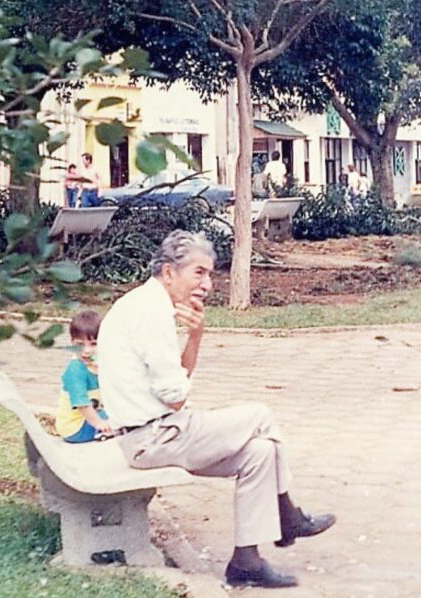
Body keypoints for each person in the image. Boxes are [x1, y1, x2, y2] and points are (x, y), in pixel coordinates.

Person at [97, 231, 335, 588]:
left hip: (158, 433)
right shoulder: (150, 312)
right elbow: (175, 397)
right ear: (168, 272)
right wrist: (181, 392)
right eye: (198, 273)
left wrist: (195, 337)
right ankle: (289, 517)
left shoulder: (148, 304)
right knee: (261, 415)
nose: (207, 284)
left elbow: (174, 383)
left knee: (261, 452)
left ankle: (246, 562)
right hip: (154, 437)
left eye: (210, 274)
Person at [55, 310, 112, 443]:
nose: (86, 351)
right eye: (79, 345)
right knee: (121, 422)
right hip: (75, 427)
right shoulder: (75, 370)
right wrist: (99, 424)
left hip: (91, 416)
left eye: (94, 344)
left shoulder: (98, 363)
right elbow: (82, 405)